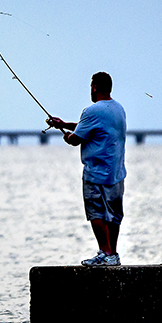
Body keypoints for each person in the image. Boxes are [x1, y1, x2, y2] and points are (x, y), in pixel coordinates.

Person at [47, 72, 126, 266]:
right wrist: (64, 124)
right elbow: (92, 127)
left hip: (96, 172)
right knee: (114, 214)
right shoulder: (118, 109)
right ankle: (112, 255)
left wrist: (65, 135)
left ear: (94, 87)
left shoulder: (91, 111)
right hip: (116, 172)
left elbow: (76, 139)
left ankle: (104, 253)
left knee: (96, 213)